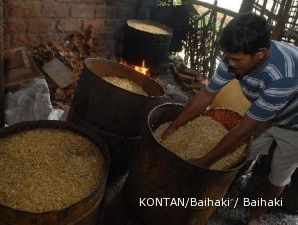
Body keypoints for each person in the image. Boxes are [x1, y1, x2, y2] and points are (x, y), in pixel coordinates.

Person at [162, 13, 298, 225]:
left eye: (236, 59)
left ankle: (255, 216)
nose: (230, 63)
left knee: (278, 174)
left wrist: (203, 162)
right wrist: (172, 128)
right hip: (267, 113)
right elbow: (206, 95)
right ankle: (224, 191)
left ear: (260, 54)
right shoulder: (236, 57)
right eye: (228, 57)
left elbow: (244, 127)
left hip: (294, 125)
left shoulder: (283, 77)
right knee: (241, 156)